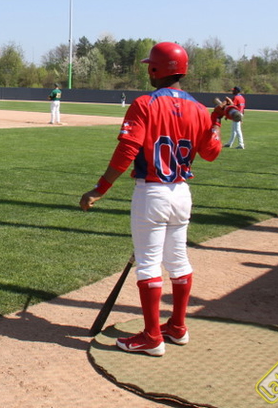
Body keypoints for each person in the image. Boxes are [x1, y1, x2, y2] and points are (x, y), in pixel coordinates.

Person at [79, 42, 223, 356]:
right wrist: (215, 122)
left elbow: (127, 150)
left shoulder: (145, 103)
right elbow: (211, 154)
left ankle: (152, 336)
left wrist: (100, 188)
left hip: (152, 193)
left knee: (148, 264)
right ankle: (178, 328)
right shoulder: (199, 109)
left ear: (156, 69)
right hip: (181, 193)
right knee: (178, 261)